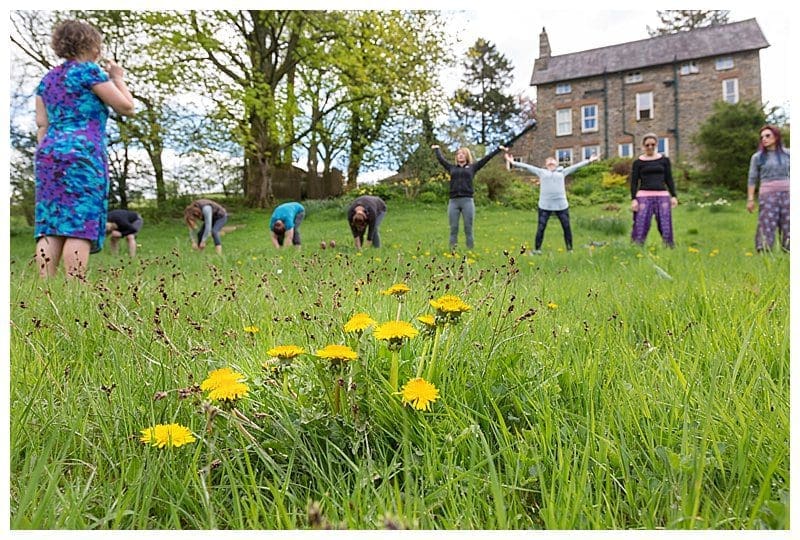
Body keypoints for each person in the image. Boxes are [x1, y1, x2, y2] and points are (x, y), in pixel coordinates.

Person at [33, 19, 135, 279]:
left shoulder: (47, 80)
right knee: (79, 223)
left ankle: (45, 293)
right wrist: (117, 78)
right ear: (91, 46)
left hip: (48, 153)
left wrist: (48, 154)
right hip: (82, 154)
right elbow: (126, 106)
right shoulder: (89, 72)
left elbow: (41, 125)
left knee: (52, 223)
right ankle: (73, 291)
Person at [502, 147, 599, 253]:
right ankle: (537, 250)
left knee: (566, 227)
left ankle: (570, 249)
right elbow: (527, 167)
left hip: (561, 206)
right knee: (541, 228)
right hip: (545, 206)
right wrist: (513, 162)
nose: (551, 162)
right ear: (546, 164)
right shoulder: (541, 172)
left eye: (553, 160)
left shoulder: (563, 172)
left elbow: (576, 166)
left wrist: (589, 160)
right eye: (549, 161)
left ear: (557, 163)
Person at [431, 143, 504, 250]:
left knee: (468, 228)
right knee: (453, 228)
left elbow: (487, 158)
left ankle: (470, 251)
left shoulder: (473, 167)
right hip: (453, 202)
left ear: (467, 156)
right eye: (458, 154)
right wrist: (437, 149)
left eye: (463, 154)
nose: (460, 155)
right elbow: (441, 160)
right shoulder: (451, 168)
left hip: (467, 201)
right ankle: (452, 252)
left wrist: (498, 149)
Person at [629, 133, 678, 247]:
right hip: (643, 196)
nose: (650, 147)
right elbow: (634, 182)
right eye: (647, 145)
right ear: (643, 146)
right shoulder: (638, 163)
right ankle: (636, 246)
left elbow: (669, 178)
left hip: (662, 196)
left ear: (656, 145)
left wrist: (674, 196)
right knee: (641, 223)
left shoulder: (664, 160)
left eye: (652, 144)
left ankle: (669, 247)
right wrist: (633, 199)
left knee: (665, 224)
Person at [747, 125, 790, 252]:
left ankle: (789, 252)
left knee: (789, 224)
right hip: (768, 195)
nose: (764, 139)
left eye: (767, 136)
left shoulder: (789, 154)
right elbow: (752, 178)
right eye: (762, 137)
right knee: (766, 224)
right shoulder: (758, 157)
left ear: (776, 137)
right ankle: (764, 251)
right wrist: (750, 199)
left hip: (788, 194)